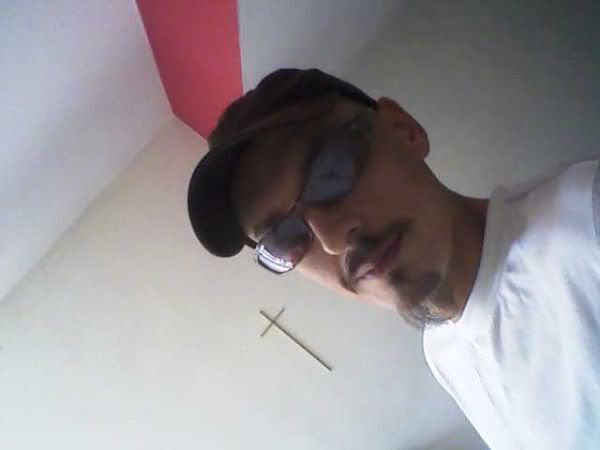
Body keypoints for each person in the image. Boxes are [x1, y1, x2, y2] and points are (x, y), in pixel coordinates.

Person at [187, 68, 600, 449]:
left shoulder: (585, 224)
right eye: (283, 237)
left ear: (403, 130)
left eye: (330, 170)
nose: (333, 240)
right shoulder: (444, 351)